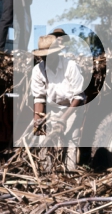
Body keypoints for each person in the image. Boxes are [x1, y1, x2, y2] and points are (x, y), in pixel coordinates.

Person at [30, 34, 86, 171]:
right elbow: (39, 98)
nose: (45, 59)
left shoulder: (70, 66)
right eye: (43, 56)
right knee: (45, 143)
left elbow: (78, 96)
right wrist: (38, 120)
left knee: (70, 141)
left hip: (72, 107)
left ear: (57, 53)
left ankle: (70, 173)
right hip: (52, 110)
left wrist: (63, 119)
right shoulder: (38, 70)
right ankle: (47, 174)